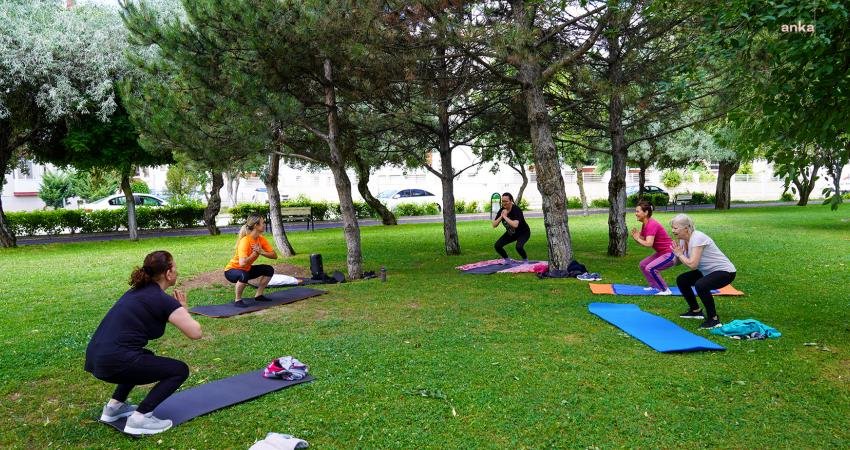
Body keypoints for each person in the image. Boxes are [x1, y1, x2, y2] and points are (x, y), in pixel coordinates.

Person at [85, 251, 202, 436]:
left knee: (145, 357)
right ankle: (140, 418)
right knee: (179, 370)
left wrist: (176, 310)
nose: (177, 271)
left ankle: (114, 407)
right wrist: (183, 310)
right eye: (175, 268)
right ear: (168, 273)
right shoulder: (161, 299)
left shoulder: (137, 291)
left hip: (96, 358)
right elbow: (196, 333)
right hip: (115, 362)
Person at [669, 214, 737, 329]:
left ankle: (713, 319)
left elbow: (693, 265)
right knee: (682, 280)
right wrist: (675, 254)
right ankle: (695, 311)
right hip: (708, 271)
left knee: (701, 285)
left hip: (725, 272)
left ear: (686, 228)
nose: (673, 230)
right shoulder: (682, 240)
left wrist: (680, 254)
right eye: (672, 228)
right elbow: (677, 262)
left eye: (675, 228)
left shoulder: (697, 238)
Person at [224, 214, 278, 306]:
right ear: (256, 226)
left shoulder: (261, 239)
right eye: (262, 223)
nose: (264, 225)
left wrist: (261, 252)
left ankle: (259, 295)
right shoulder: (245, 241)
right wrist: (254, 254)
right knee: (243, 275)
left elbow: (274, 255)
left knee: (269, 269)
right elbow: (242, 263)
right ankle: (238, 300)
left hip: (246, 269)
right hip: (231, 271)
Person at [630, 200, 675, 295]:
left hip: (670, 253)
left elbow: (648, 243)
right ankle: (654, 286)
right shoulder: (645, 224)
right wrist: (636, 238)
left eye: (638, 211)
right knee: (643, 265)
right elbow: (642, 242)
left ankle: (665, 290)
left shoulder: (652, 224)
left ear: (646, 213)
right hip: (661, 253)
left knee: (651, 268)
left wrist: (638, 238)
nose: (636, 214)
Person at [491, 192, 531, 264]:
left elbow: (515, 225)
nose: (504, 203)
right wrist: (501, 216)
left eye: (506, 201)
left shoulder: (516, 210)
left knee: (519, 247)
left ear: (511, 201)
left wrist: (505, 217)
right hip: (511, 233)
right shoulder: (502, 210)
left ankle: (525, 260)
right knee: (497, 246)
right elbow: (494, 225)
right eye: (502, 201)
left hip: (523, 232)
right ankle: (507, 260)